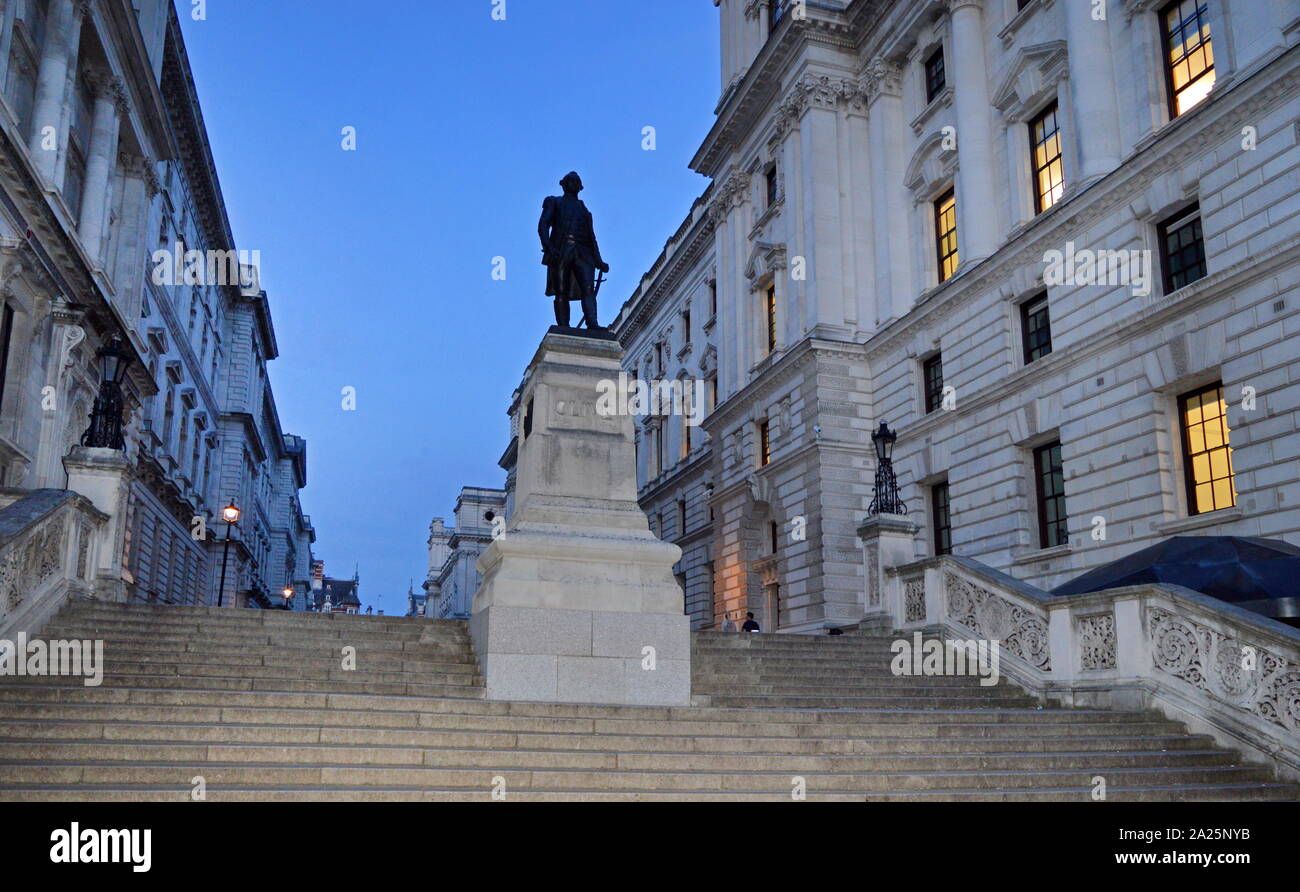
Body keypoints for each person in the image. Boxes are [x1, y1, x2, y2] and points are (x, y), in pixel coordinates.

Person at [538, 171, 610, 330]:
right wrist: (549, 247)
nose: (574, 183)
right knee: (561, 290)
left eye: (577, 181)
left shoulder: (584, 209)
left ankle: (592, 323)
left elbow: (592, 237)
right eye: (571, 181)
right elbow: (543, 225)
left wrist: (598, 260)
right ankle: (564, 326)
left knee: (588, 288)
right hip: (561, 249)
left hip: (584, 251)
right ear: (564, 184)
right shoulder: (554, 202)